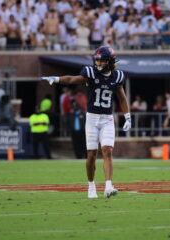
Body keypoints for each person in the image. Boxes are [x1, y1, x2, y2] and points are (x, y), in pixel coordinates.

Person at [39, 46, 131, 199]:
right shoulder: (91, 72)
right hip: (92, 118)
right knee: (92, 155)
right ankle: (91, 185)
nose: (98, 63)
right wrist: (56, 79)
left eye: (102, 60)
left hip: (107, 119)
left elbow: (122, 97)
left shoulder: (118, 76)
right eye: (97, 60)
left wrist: (127, 116)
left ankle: (108, 186)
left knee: (107, 151)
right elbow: (72, 79)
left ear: (110, 62)